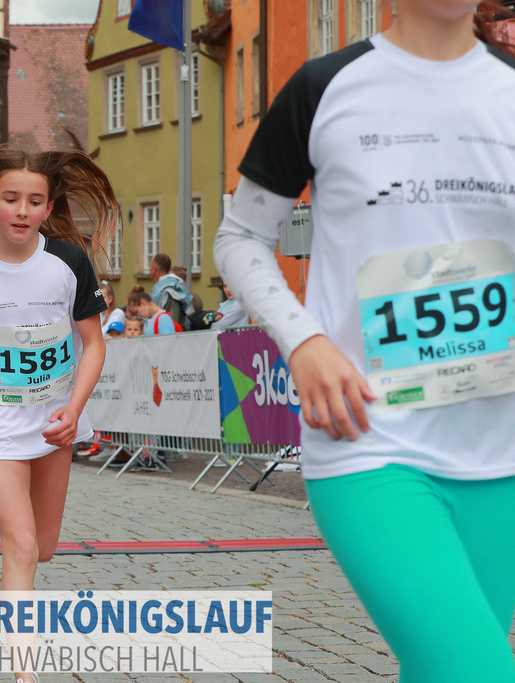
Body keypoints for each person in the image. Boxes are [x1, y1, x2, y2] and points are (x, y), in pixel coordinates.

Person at [213, 2, 515, 680]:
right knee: (478, 671)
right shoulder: (325, 88)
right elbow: (239, 237)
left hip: (502, 456)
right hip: (370, 442)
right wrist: (304, 339)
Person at [0, 148, 117, 683]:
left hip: (53, 417)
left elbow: (93, 344)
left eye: (34, 201)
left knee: (43, 546)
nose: (22, 210)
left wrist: (74, 408)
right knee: (18, 541)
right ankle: (24, 669)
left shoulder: (68, 262)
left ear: (48, 208)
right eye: (11, 199)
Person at [149, 254, 193, 327]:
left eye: (150, 266)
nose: (149, 269)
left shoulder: (169, 291)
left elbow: (173, 321)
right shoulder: (175, 286)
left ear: (154, 269)